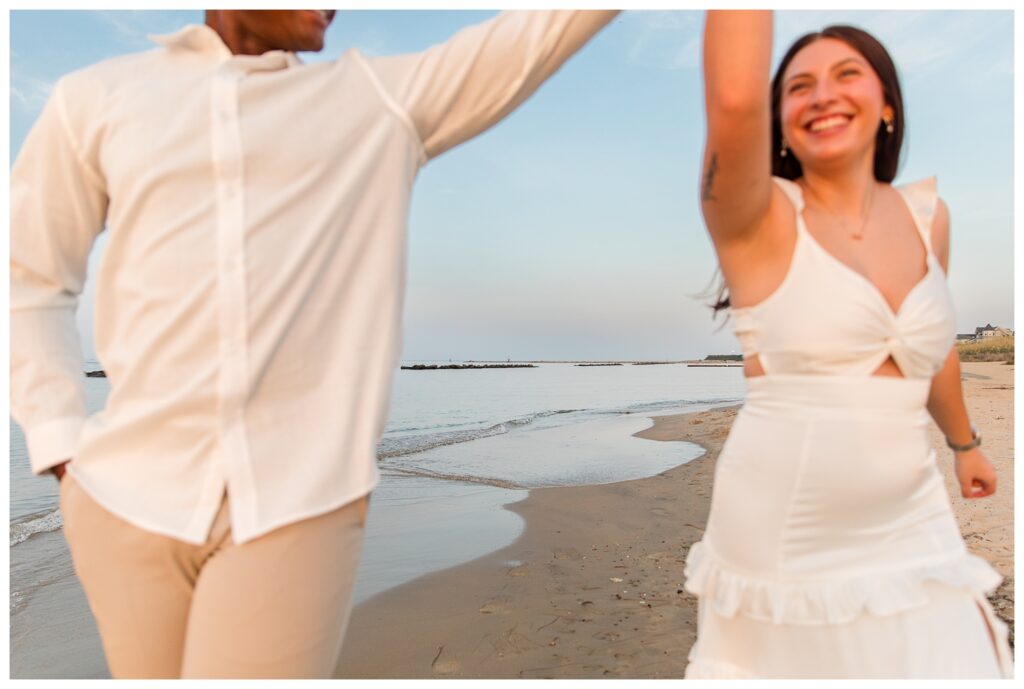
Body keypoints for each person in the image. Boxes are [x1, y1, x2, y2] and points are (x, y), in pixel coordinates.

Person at [10, 9, 618, 679]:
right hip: (122, 502)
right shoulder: (94, 98)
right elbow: (28, 277)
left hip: (298, 506)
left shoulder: (376, 100)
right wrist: (60, 444)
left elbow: (538, 31)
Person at [684, 10, 1012, 679]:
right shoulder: (757, 218)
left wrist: (964, 443)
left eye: (846, 74)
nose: (823, 94)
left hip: (913, 513)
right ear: (776, 122)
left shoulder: (927, 217)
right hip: (787, 530)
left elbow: (933, 347)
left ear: (887, 103)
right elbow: (733, 95)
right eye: (798, 87)